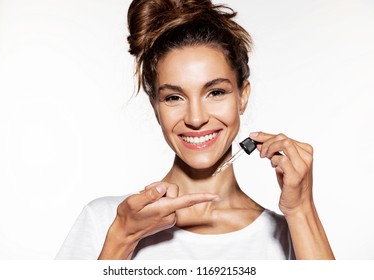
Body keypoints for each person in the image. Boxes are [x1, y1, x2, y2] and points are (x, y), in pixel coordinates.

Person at [56, 0, 335, 260]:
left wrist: (301, 210)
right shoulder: (105, 221)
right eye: (174, 97)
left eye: (215, 92)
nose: (196, 118)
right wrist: (122, 238)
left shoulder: (291, 238)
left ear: (242, 96)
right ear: (155, 106)